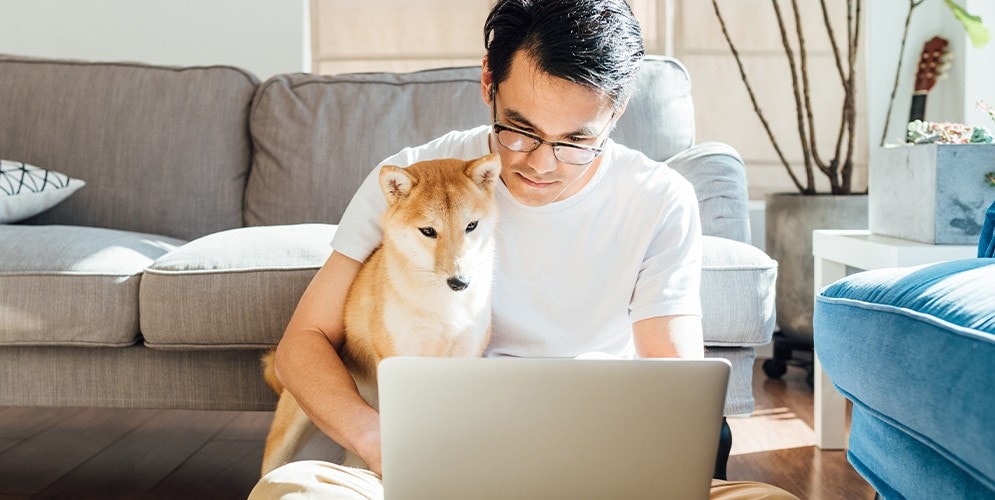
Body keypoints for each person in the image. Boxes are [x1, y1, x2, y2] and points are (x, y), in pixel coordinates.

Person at [251, 0, 797, 498]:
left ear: (619, 110)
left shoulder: (659, 199)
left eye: (577, 140)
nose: (541, 164)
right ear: (488, 82)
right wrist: (375, 440)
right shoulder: (415, 182)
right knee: (292, 492)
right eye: (520, 129)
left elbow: (674, 377)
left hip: (602, 466)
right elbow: (304, 342)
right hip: (435, 463)